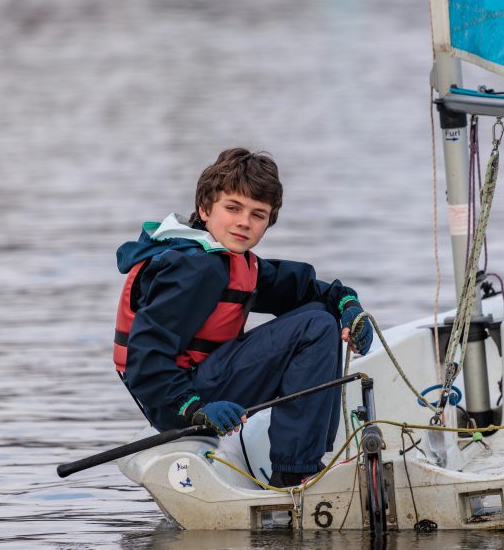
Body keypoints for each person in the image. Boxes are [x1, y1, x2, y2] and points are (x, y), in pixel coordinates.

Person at [113, 148, 373, 488]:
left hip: (193, 390)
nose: (244, 222)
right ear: (205, 208)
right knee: (316, 326)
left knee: (321, 313)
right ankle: (295, 472)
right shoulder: (192, 269)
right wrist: (193, 407)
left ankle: (298, 461)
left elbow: (304, 289)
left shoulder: (227, 259)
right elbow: (144, 359)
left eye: (258, 214)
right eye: (233, 208)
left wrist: (348, 305)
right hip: (178, 400)